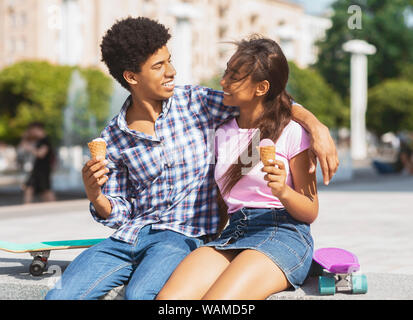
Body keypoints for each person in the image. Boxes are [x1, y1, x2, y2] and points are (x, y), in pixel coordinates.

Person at [46, 17, 337, 300]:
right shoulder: (117, 136)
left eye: (169, 60)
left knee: (157, 296)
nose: (172, 71)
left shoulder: (197, 104)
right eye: (159, 66)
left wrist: (317, 127)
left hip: (224, 234)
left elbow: (271, 102)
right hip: (176, 234)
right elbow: (120, 209)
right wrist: (96, 195)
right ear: (132, 77)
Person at [156, 37, 317, 300]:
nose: (223, 82)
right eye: (226, 72)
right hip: (234, 233)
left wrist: (283, 192)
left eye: (235, 77)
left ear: (261, 87)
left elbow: (311, 211)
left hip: (283, 233)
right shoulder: (222, 131)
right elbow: (223, 199)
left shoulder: (293, 133)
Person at [18, 122, 56, 204]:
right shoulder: (39, 141)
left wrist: (30, 148)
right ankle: (26, 206)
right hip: (37, 169)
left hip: (43, 170)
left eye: (33, 130)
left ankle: (54, 206)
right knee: (30, 187)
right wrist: (25, 137)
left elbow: (41, 154)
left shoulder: (45, 140)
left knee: (46, 191)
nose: (32, 133)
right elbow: (22, 145)